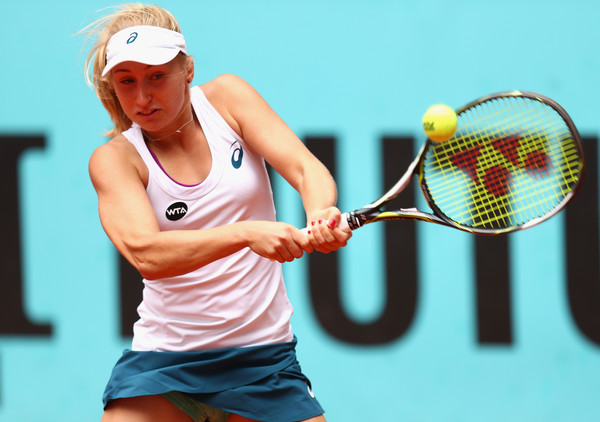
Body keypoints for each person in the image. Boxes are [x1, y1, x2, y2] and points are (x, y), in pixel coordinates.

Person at [81, 3, 351, 422]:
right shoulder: (115, 160)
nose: (142, 96)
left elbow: (304, 168)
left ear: (187, 69)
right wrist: (246, 233)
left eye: (156, 76)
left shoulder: (228, 99)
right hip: (163, 366)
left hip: (264, 362)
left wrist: (320, 213)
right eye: (127, 81)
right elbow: (147, 255)